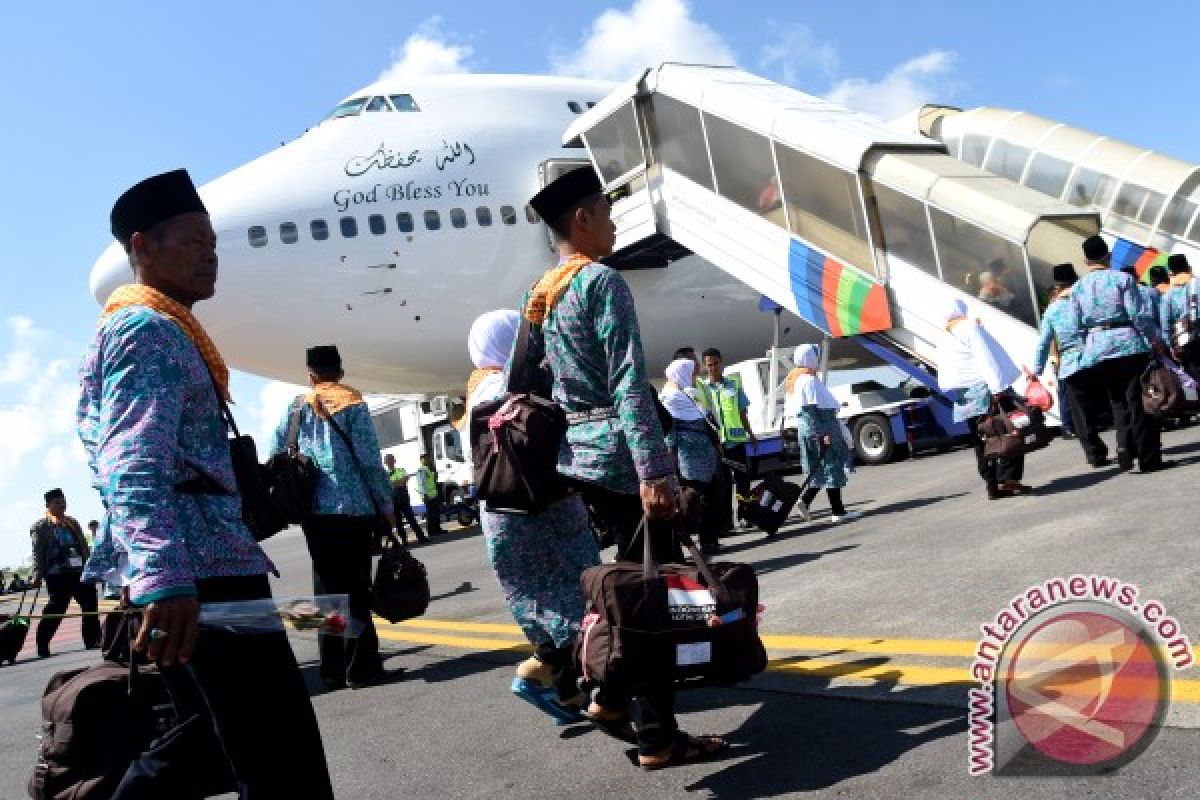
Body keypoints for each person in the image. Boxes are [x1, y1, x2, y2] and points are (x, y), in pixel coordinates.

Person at [80, 169, 333, 796]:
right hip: (201, 572)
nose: (210, 253)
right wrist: (163, 577)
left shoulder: (159, 327)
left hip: (203, 562)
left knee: (213, 741)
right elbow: (128, 459)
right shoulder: (148, 330)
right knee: (279, 750)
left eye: (212, 241)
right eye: (194, 240)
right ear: (142, 248)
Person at [521, 166, 726, 768]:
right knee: (651, 596)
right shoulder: (600, 283)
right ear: (582, 219)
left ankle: (617, 700)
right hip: (621, 453)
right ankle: (646, 727)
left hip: (578, 456)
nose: (613, 224)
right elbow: (629, 381)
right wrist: (655, 470)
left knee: (633, 587)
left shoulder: (540, 293)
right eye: (606, 213)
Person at [465, 309, 600, 723]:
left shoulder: (475, 393)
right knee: (584, 593)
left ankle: (564, 695)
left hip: (498, 514)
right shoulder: (525, 383)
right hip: (548, 505)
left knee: (539, 605)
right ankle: (560, 685)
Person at [269, 344, 400, 690]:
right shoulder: (353, 403)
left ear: (310, 375)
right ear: (340, 372)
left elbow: (275, 452)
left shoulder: (297, 406)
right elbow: (370, 461)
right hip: (354, 509)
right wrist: (385, 504)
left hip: (314, 512)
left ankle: (331, 669)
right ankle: (362, 668)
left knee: (325, 591)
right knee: (357, 587)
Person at [1069, 236, 1169, 472]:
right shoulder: (1122, 279)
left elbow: (1075, 326)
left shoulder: (1077, 288)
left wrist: (1087, 349)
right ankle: (1148, 457)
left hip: (1098, 348)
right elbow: (1138, 315)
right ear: (1108, 255)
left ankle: (1124, 445)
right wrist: (1155, 339)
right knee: (1138, 400)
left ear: (1085, 260)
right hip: (1127, 343)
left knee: (1116, 401)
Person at [935, 296, 1029, 499]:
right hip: (985, 389)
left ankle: (991, 483)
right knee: (1009, 430)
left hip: (964, 395)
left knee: (981, 440)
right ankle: (1008, 478)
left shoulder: (943, 336)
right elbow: (986, 357)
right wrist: (998, 388)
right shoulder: (969, 327)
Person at [784, 345, 862, 522]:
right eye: (815, 356)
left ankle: (805, 500)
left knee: (819, 469)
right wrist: (823, 433)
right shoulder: (809, 381)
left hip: (807, 430)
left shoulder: (796, 379)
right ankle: (838, 512)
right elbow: (812, 409)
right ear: (810, 358)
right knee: (831, 466)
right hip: (820, 429)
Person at [661, 358, 723, 554]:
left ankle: (703, 540)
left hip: (694, 455)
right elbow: (673, 432)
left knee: (700, 498)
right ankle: (701, 540)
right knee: (698, 498)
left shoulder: (684, 396)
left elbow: (673, 431)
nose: (694, 374)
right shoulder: (679, 398)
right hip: (696, 454)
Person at [1029, 265, 1090, 458]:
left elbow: (1043, 343)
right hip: (1092, 356)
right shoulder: (1085, 301)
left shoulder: (1052, 311)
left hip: (1068, 360)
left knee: (1074, 401)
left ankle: (1092, 449)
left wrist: (1036, 369)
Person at [30, 488, 100, 656]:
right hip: (57, 576)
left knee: (90, 604)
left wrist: (91, 567)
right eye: (57, 502)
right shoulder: (40, 527)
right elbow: (38, 553)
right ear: (48, 505)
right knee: (56, 610)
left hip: (78, 572)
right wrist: (36, 575)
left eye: (63, 501)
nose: (62, 505)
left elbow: (83, 546)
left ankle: (93, 640)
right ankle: (42, 645)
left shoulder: (72, 523)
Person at [697, 347, 757, 532]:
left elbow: (742, 412)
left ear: (721, 361)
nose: (713, 368)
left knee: (743, 480)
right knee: (722, 485)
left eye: (715, 363)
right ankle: (726, 522)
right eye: (709, 365)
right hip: (717, 445)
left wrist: (751, 434)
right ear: (705, 366)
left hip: (736, 442)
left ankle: (745, 515)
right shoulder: (703, 390)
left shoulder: (734, 385)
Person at [1160, 254, 1200, 378]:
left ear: (1171, 273)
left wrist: (1171, 347)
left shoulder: (1168, 296)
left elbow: (1165, 325)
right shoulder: (1197, 283)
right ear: (1188, 267)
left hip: (1187, 341)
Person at [384, 453, 427, 545]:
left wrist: (394, 483)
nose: (390, 462)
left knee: (411, 518)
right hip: (393, 500)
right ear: (386, 463)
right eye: (388, 460)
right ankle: (404, 541)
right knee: (398, 522)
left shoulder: (401, 470)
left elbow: (403, 481)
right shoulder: (385, 474)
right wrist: (397, 483)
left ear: (394, 461)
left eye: (392, 460)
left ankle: (421, 537)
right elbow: (389, 485)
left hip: (403, 498)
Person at [416, 452, 443, 536]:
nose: (426, 460)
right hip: (428, 496)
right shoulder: (421, 470)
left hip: (433, 495)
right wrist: (425, 495)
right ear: (421, 460)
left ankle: (437, 529)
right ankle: (432, 531)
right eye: (423, 458)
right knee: (431, 514)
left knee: (436, 513)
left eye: (427, 458)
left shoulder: (428, 469)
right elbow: (421, 484)